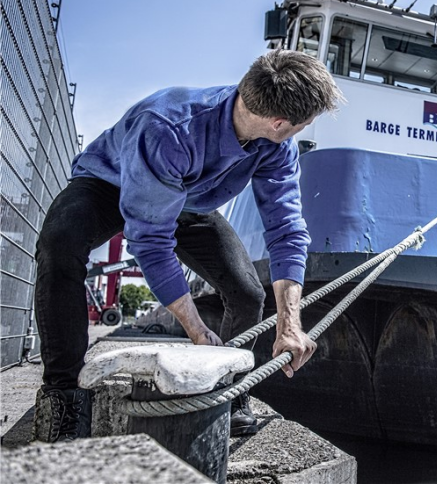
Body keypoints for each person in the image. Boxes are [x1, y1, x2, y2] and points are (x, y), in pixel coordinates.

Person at [33, 50, 344, 442]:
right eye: (305, 123)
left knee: (248, 292)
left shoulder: (276, 145)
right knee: (59, 246)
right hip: (109, 183)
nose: (305, 128)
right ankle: (63, 395)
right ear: (279, 122)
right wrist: (196, 329)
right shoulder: (169, 126)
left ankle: (228, 391)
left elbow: (285, 229)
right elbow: (150, 239)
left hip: (188, 201)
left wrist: (290, 323)